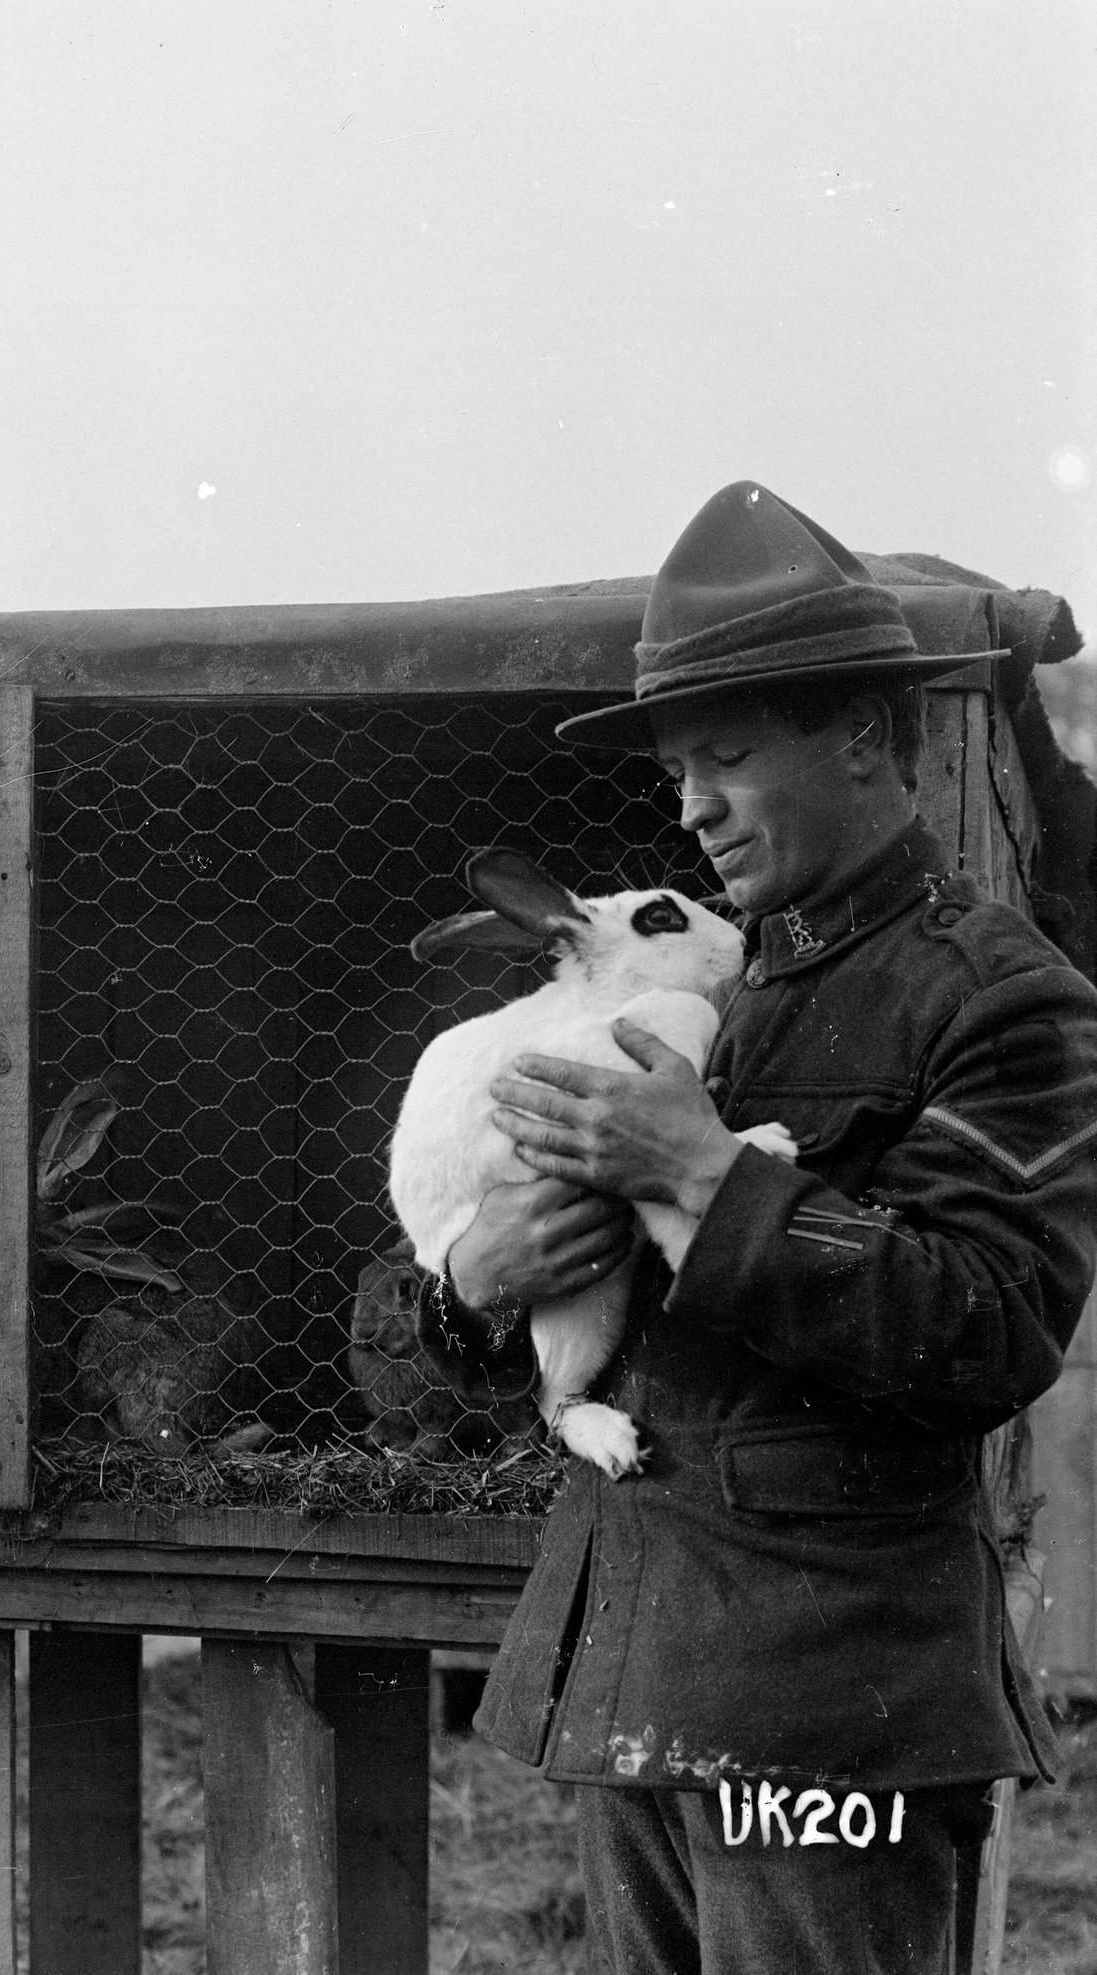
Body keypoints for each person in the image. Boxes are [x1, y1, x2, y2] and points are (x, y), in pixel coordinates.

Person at [420, 481, 1097, 1973]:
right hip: (635, 1669)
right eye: (675, 768)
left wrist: (710, 1182)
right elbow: (470, 1307)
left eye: (725, 757)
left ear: (863, 733)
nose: (690, 807)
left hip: (824, 1714)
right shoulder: (694, 990)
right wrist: (475, 1279)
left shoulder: (998, 997)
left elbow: (988, 1331)